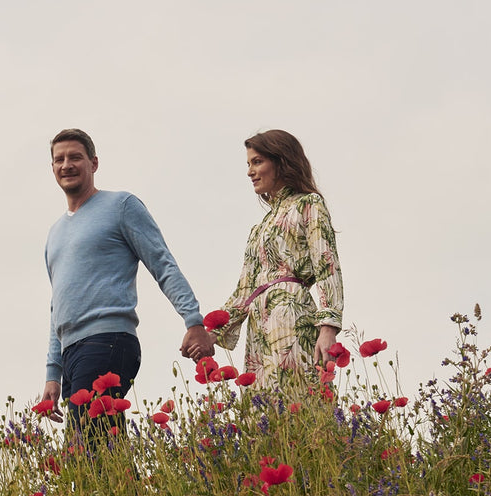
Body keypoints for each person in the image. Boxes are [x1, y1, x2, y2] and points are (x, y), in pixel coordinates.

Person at [39, 128, 215, 438]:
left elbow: (162, 263)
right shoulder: (54, 234)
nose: (66, 164)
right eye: (59, 159)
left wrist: (193, 321)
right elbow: (58, 305)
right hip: (72, 352)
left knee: (89, 447)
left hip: (107, 339)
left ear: (94, 163)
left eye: (75, 157)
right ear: (52, 168)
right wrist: (53, 373)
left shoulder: (120, 206)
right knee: (97, 450)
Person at [214, 130, 343, 385]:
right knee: (263, 411)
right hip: (259, 327)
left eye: (258, 162)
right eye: (249, 164)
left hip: (293, 318)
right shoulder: (259, 228)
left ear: (282, 162)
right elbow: (244, 291)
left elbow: (327, 265)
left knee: (297, 399)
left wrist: (328, 327)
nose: (250, 171)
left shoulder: (308, 204)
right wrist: (211, 333)